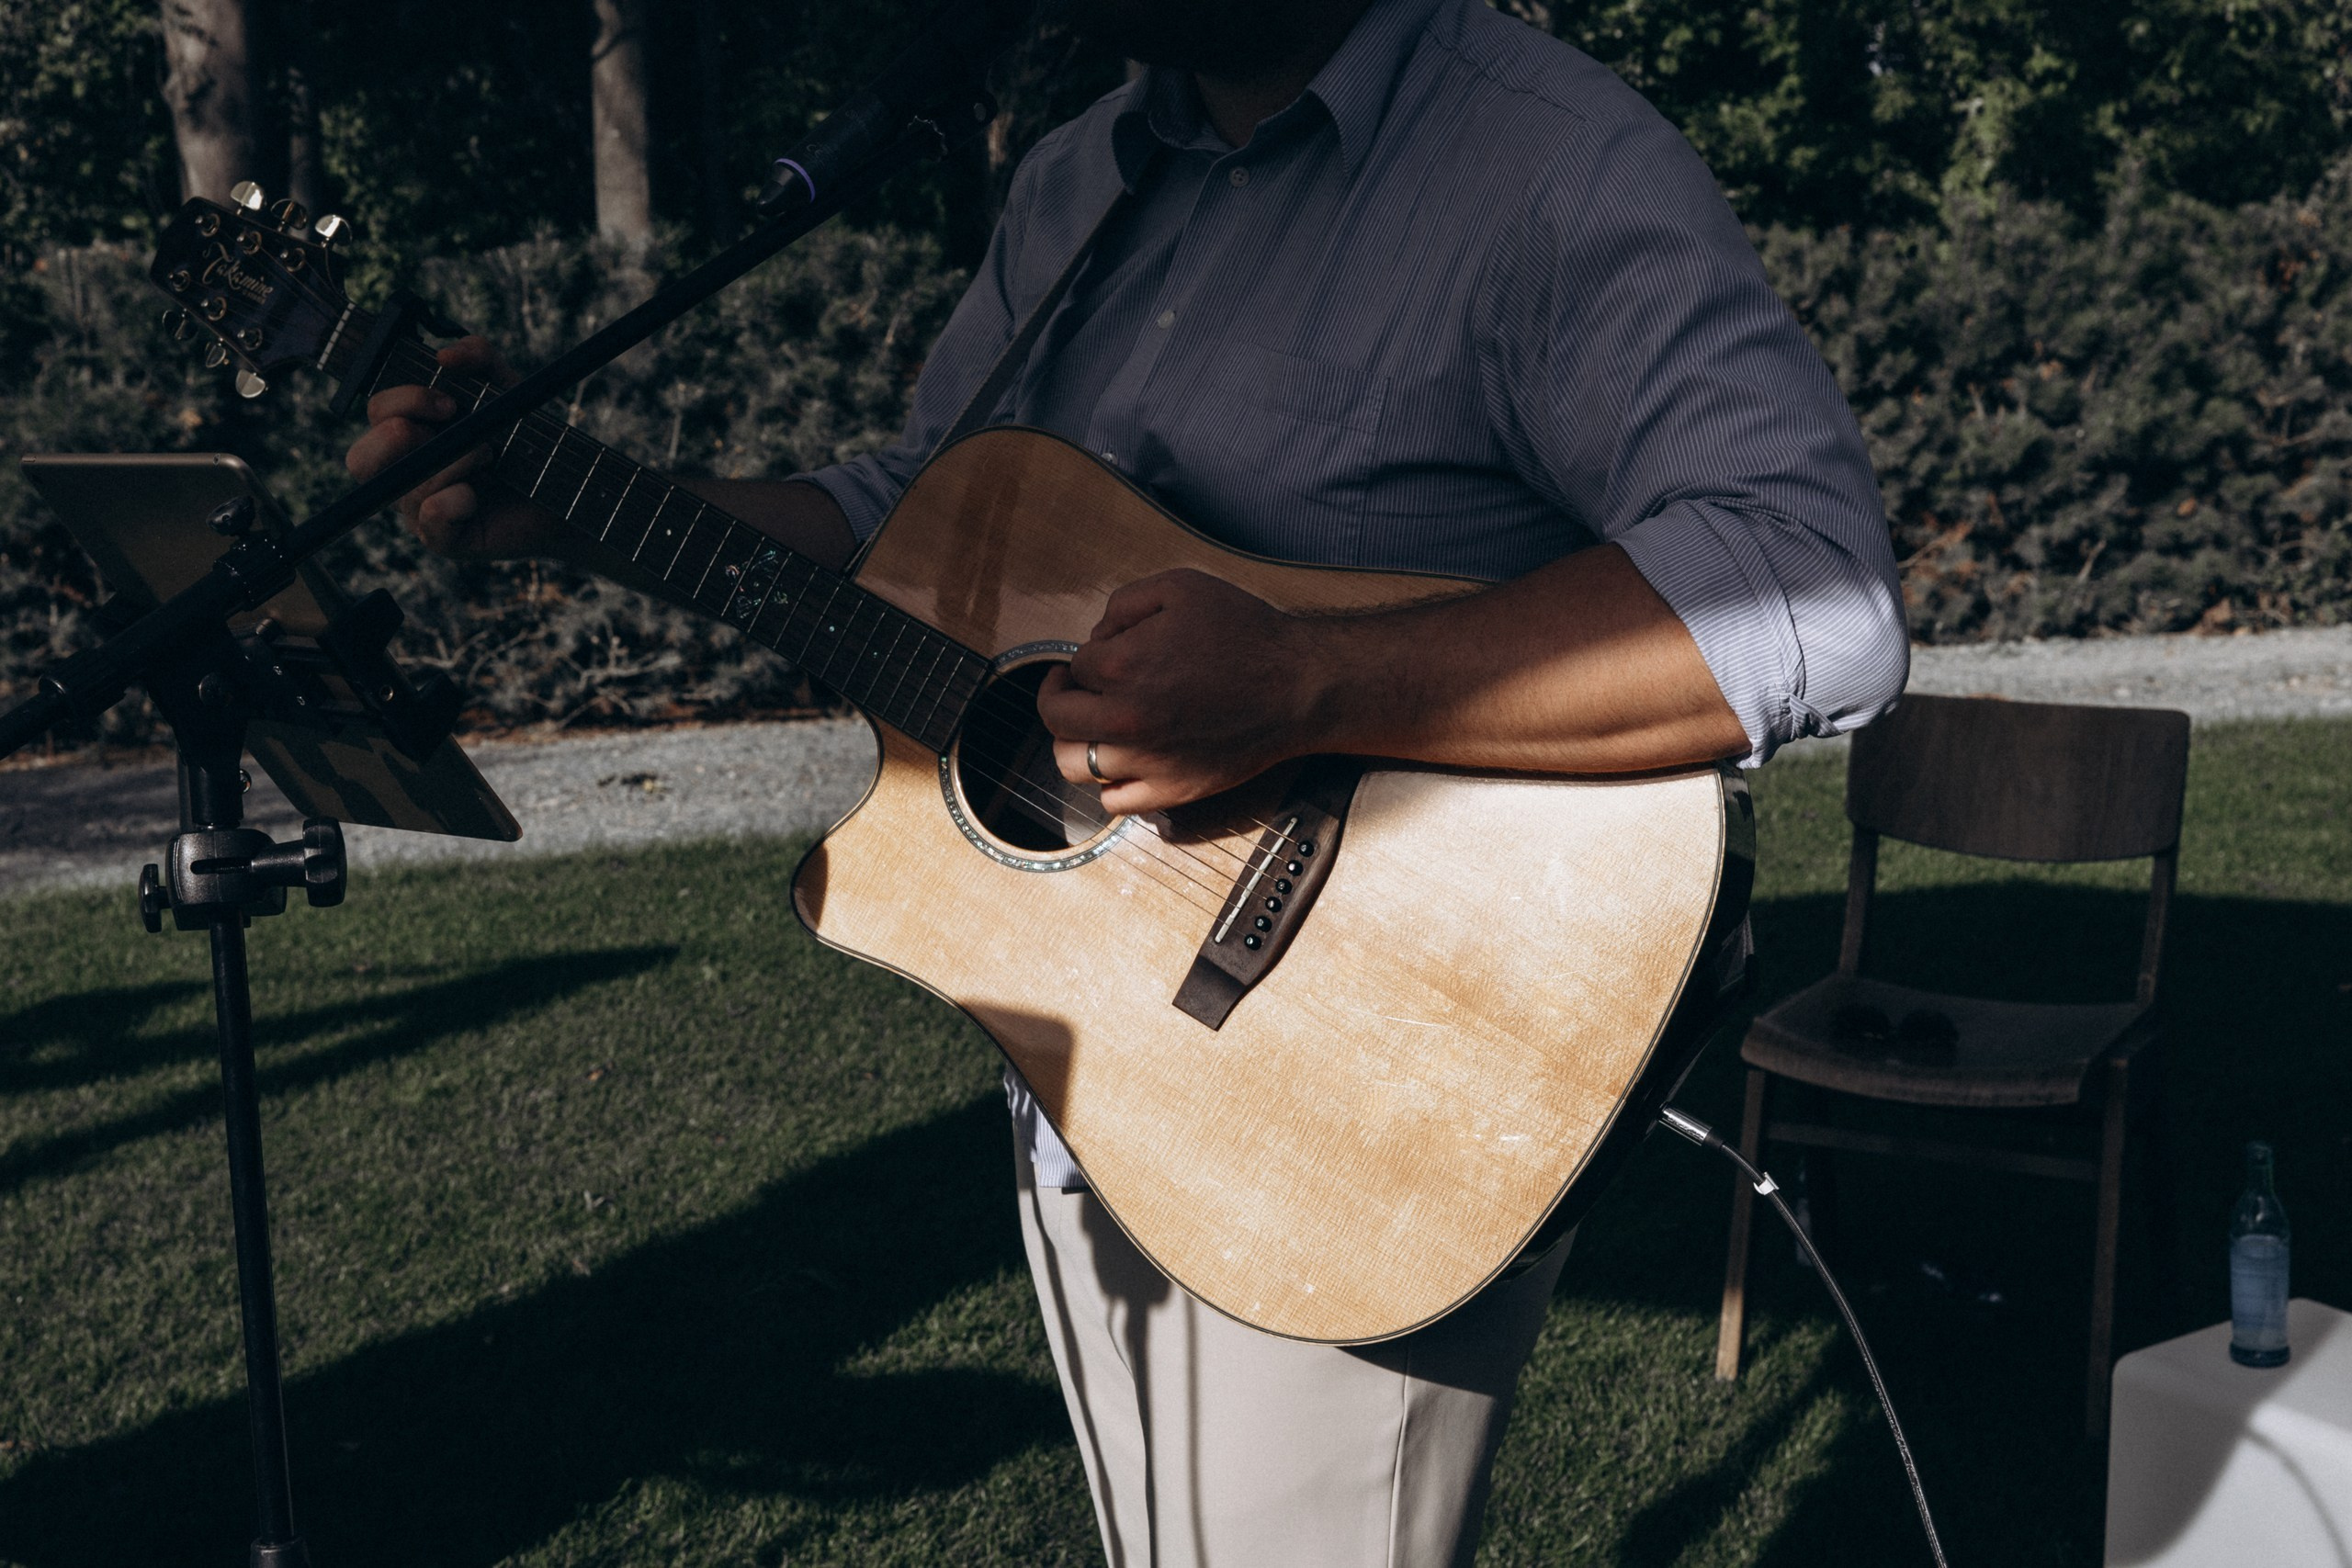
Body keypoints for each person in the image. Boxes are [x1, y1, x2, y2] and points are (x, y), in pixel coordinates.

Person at [345, 0, 1908, 1559]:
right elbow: (928, 520)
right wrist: (582, 507)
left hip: (1378, 1068)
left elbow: (1808, 579)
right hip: (1099, 1030)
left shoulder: (1543, 160)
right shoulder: (1086, 174)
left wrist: (1308, 681)